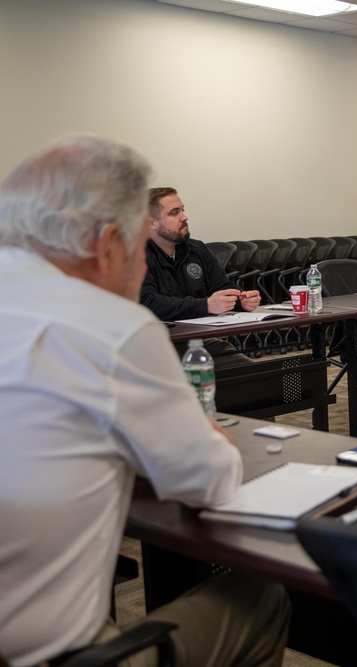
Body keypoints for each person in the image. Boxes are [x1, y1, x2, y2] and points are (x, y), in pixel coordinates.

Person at [0, 135, 290, 667]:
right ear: (109, 243)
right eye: (137, 249)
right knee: (259, 599)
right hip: (40, 656)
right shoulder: (112, 328)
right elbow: (209, 480)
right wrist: (207, 436)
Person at [141, 187, 261, 366]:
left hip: (197, 341)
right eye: (174, 213)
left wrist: (241, 298)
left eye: (183, 209)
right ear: (152, 223)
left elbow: (222, 286)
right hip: (152, 348)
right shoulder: (134, 256)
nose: (184, 217)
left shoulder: (197, 250)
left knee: (251, 373)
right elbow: (147, 303)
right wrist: (205, 305)